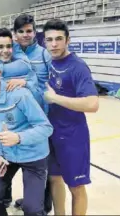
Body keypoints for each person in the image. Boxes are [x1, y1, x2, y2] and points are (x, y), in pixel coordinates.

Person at [0, 53, 53, 216]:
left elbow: (46, 127)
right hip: (7, 156)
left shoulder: (20, 95)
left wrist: (18, 138)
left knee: (32, 210)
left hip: (34, 156)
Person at [43, 19, 99, 215]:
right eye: (49, 40)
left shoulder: (78, 67)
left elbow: (92, 104)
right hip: (50, 134)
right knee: (54, 179)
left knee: (76, 187)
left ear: (68, 40)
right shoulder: (46, 61)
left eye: (59, 39)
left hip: (73, 136)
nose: (54, 44)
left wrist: (56, 98)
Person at [12, 14, 52, 213]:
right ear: (15, 34)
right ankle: (31, 198)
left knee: (43, 164)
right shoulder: (14, 53)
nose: (26, 35)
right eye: (21, 31)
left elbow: (52, 84)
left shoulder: (44, 54)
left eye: (29, 31)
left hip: (43, 116)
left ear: (35, 32)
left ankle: (43, 205)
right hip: (21, 119)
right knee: (27, 164)